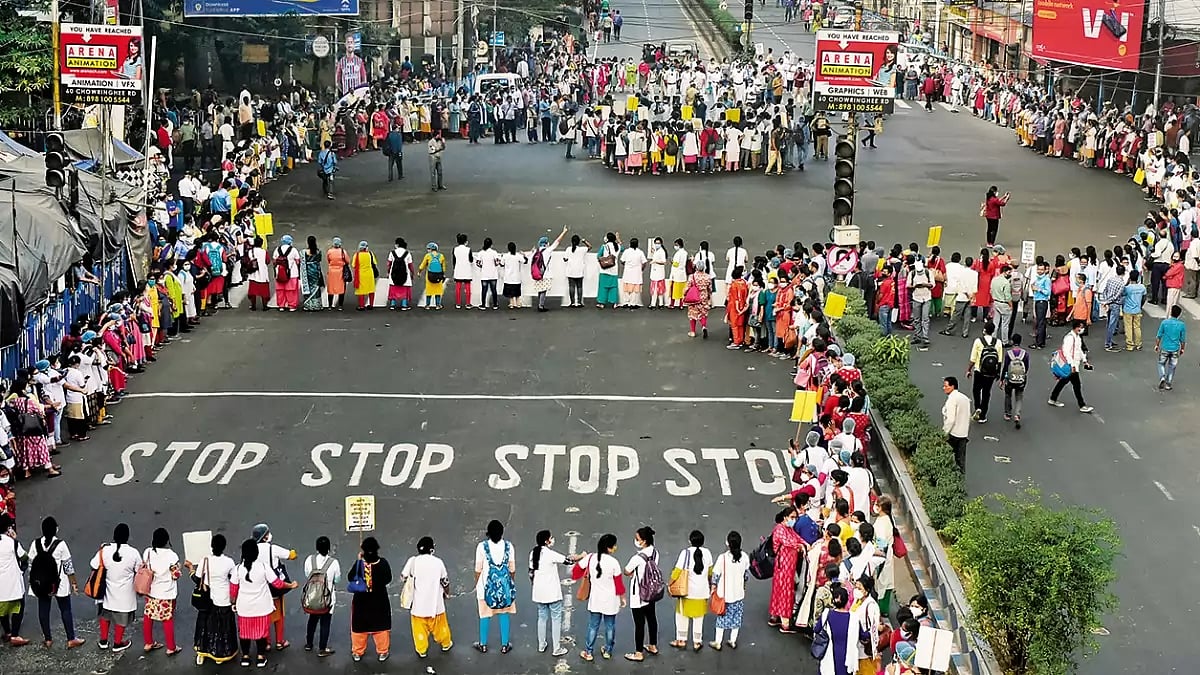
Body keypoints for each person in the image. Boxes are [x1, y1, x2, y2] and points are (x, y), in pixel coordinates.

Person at [232, 538, 296, 668]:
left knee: (244, 633)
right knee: (261, 632)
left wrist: (233, 602)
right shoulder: (263, 567)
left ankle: (245, 657)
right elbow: (277, 584)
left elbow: (233, 590)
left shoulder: (238, 569)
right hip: (261, 607)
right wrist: (291, 585)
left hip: (244, 608)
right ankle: (261, 657)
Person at [29, 516, 84, 649]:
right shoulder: (61, 545)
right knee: (65, 609)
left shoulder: (35, 544)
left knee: (43, 610)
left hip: (41, 584)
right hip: (59, 584)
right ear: (55, 530)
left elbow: (31, 565)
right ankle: (71, 638)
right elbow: (68, 567)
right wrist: (74, 584)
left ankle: (48, 639)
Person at [186, 534, 238, 665]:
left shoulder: (205, 561)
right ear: (224, 547)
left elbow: (197, 580)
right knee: (222, 629)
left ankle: (202, 653)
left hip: (207, 601)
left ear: (212, 546)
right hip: (224, 600)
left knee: (205, 628)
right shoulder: (229, 562)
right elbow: (234, 580)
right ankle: (220, 655)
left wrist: (191, 568)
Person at [91, 523, 142, 652]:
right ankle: (118, 643)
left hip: (107, 592)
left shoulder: (105, 550)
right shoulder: (133, 553)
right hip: (125, 594)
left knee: (105, 615)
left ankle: (103, 640)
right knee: (121, 619)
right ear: (127, 537)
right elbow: (139, 570)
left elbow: (94, 564)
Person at [401, 536, 453, 659]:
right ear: (432, 550)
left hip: (418, 606)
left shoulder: (412, 561)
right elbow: (445, 581)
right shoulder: (438, 562)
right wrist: (447, 593)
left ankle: (422, 650)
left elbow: (403, 577)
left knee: (419, 630)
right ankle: (446, 644)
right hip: (436, 605)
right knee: (441, 628)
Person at [575, 533, 624, 662]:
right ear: (609, 548)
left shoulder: (590, 558)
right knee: (610, 626)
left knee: (593, 626)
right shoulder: (614, 562)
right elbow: (618, 584)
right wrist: (622, 598)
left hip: (595, 599)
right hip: (611, 600)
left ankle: (588, 652)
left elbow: (576, 572)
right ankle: (608, 651)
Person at [473, 519, 516, 654]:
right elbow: (512, 569)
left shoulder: (482, 547)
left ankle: (483, 644)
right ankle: (504, 645)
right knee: (504, 614)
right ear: (502, 533)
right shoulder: (509, 546)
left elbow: (478, 569)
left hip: (485, 588)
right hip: (504, 589)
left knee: (484, 615)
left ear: (488, 533)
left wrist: (477, 583)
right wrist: (509, 583)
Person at [530, 530, 574, 657]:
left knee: (542, 618)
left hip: (539, 593)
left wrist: (536, 585)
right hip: (552, 593)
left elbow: (531, 572)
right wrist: (581, 556)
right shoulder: (550, 554)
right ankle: (556, 648)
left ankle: (541, 644)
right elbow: (568, 561)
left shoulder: (533, 553)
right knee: (556, 619)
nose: (552, 539)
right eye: (551, 538)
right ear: (546, 541)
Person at [348, 537, 393, 662]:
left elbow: (351, 577)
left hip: (361, 601)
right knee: (381, 626)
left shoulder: (360, 564)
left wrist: (358, 561)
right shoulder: (383, 563)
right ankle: (382, 651)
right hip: (380, 600)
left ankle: (357, 652)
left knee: (359, 628)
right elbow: (388, 578)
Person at [141, 527, 183, 655]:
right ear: (167, 541)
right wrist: (179, 568)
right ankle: (171, 647)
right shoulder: (171, 555)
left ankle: (148, 642)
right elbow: (175, 575)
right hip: (166, 593)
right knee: (167, 619)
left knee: (148, 616)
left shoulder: (148, 552)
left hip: (151, 591)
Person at [670, 529, 712, 651]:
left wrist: (670, 584)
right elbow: (710, 572)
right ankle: (697, 642)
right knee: (699, 618)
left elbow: (677, 571)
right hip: (702, 592)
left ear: (690, 541)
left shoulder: (685, 553)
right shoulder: (707, 553)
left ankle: (681, 640)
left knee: (681, 615)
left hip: (686, 592)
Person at [622, 526, 659, 662]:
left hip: (638, 594)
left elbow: (626, 570)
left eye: (637, 539)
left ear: (643, 541)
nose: (636, 541)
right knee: (652, 619)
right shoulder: (655, 553)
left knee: (639, 624)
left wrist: (632, 573)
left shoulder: (637, 557)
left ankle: (638, 652)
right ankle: (653, 645)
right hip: (651, 592)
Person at [709, 531, 749, 651]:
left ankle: (718, 642)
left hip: (725, 595)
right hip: (739, 594)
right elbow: (746, 575)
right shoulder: (745, 557)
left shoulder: (723, 558)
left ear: (727, 543)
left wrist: (713, 586)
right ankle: (732, 640)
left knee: (722, 618)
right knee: (736, 618)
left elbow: (716, 575)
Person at [302, 536, 341, 656]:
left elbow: (307, 574)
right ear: (328, 549)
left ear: (317, 548)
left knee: (312, 620)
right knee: (325, 622)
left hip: (312, 596)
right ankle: (322, 649)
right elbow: (337, 579)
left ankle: (309, 644)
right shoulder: (333, 563)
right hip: (327, 598)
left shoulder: (310, 560)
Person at [1049, 320, 1094, 413]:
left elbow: (1079, 350)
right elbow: (1066, 352)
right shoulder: (1069, 338)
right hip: (1071, 366)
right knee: (1076, 385)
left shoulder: (1077, 337)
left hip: (1074, 365)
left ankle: (1053, 398)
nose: (1081, 329)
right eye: (1080, 327)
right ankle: (1082, 405)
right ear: (1075, 327)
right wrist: (1072, 365)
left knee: (1063, 381)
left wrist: (1084, 361)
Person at [966, 321, 1002, 423]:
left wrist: (969, 369)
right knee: (986, 392)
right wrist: (998, 373)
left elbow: (973, 359)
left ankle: (978, 407)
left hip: (979, 370)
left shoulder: (978, 341)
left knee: (976, 390)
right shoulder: (998, 342)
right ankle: (983, 415)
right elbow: (999, 360)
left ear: (984, 330)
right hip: (991, 372)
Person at [0, 514, 27, 646]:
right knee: (19, 607)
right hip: (13, 581)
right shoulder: (12, 543)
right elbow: (24, 557)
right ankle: (15, 635)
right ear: (8, 528)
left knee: (2, 610)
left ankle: (7, 632)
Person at [941, 376, 971, 473]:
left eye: (946, 386)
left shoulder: (952, 399)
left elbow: (951, 419)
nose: (944, 388)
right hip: (963, 434)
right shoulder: (965, 398)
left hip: (953, 434)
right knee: (960, 460)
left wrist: (944, 433)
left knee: (948, 458)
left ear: (952, 386)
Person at [1155, 304, 1187, 390]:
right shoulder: (1181, 325)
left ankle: (1162, 377)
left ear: (1171, 312)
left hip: (1165, 347)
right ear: (1179, 314)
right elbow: (1182, 339)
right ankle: (1168, 384)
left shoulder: (1164, 322)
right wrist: (1182, 349)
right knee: (1172, 367)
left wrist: (1157, 345)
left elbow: (1159, 335)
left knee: (1161, 363)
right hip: (1175, 349)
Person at [1001, 334, 1029, 429]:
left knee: (1008, 395)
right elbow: (1026, 367)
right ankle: (1017, 414)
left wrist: (1002, 379)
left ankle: (1008, 413)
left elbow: (1005, 368)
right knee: (1019, 397)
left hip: (1010, 379)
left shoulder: (1008, 354)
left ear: (1012, 341)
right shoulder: (1025, 354)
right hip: (1021, 379)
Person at [1122, 270, 1147, 351]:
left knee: (1128, 327)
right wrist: (1140, 306)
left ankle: (1130, 345)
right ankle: (1138, 344)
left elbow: (1122, 292)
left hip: (1128, 310)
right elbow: (1144, 298)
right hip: (1137, 309)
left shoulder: (1128, 288)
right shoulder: (1142, 287)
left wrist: (1126, 282)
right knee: (1137, 327)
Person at [352, 241, 379, 310]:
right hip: (370, 273)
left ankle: (361, 306)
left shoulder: (357, 255)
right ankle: (371, 305)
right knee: (371, 289)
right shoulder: (370, 254)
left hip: (361, 274)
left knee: (361, 291)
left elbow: (353, 265)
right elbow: (374, 263)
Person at [301, 236, 325, 311]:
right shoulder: (318, 251)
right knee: (316, 287)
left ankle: (308, 305)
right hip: (315, 270)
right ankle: (317, 304)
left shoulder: (303, 252)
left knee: (308, 286)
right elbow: (319, 260)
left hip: (307, 270)